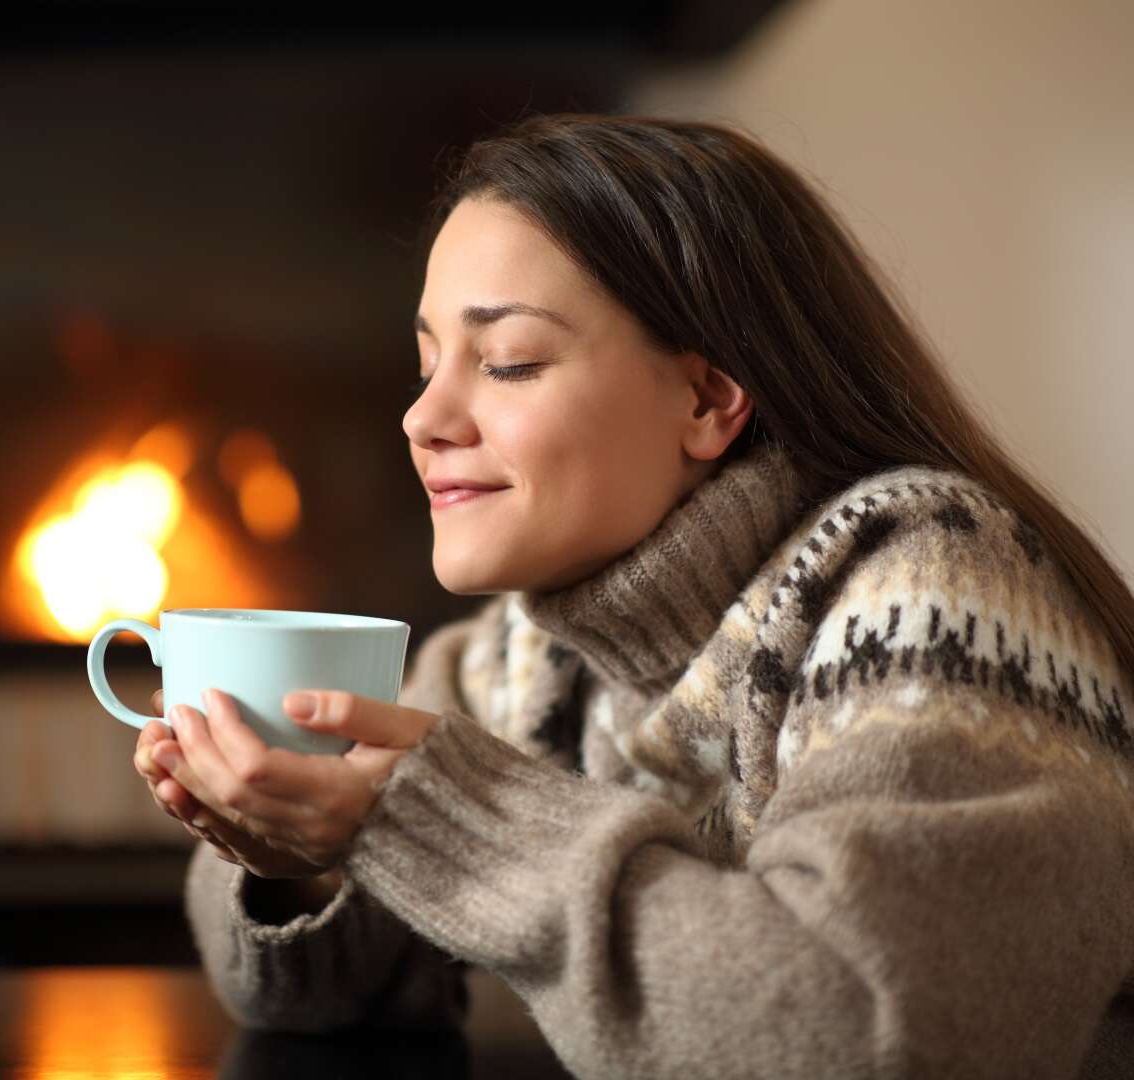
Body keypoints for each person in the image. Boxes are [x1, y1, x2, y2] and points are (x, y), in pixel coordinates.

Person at [131, 113, 1134, 1078]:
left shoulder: (932, 591)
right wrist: (296, 851)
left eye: (508, 361)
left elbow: (869, 1038)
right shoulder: (523, 659)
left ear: (706, 399)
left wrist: (432, 818)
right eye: (427, 362)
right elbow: (310, 1005)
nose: (422, 417)